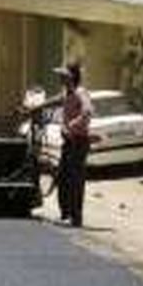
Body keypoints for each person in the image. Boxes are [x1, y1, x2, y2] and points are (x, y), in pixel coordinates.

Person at [55, 62, 93, 227]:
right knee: (63, 177)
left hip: (78, 142)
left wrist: (72, 125)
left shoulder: (80, 92)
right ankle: (66, 213)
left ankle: (76, 217)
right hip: (68, 142)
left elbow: (88, 112)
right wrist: (35, 108)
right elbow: (55, 100)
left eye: (63, 75)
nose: (60, 78)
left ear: (71, 77)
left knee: (76, 180)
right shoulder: (67, 92)